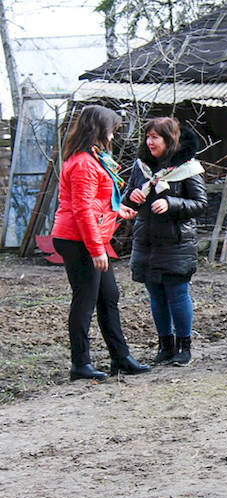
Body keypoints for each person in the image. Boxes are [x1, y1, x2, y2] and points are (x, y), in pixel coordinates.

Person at [50, 105, 150, 381]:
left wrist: (117, 211)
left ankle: (121, 358)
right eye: (112, 128)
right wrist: (96, 251)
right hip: (78, 239)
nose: (113, 134)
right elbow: (82, 210)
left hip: (87, 236)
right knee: (85, 300)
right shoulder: (83, 162)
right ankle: (80, 364)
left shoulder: (94, 158)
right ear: (99, 129)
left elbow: (94, 202)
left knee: (109, 297)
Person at [123, 117, 207, 366]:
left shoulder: (188, 168)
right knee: (155, 295)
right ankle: (165, 345)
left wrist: (171, 203)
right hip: (147, 241)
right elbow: (127, 197)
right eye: (147, 137)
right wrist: (133, 196)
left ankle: (184, 347)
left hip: (176, 243)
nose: (150, 142)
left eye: (155, 137)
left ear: (169, 140)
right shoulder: (141, 166)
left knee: (177, 294)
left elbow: (200, 203)